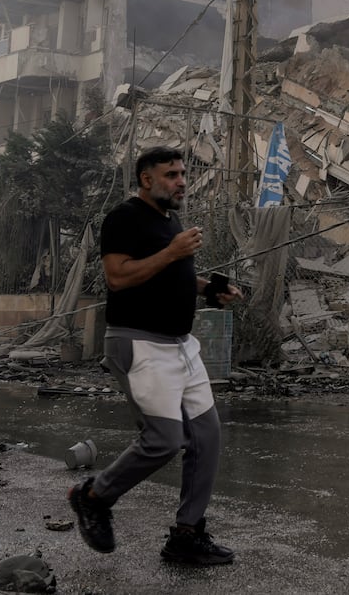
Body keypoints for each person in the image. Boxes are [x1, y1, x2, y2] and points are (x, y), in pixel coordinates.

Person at [68, 147, 242, 568]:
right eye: (171, 174)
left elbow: (171, 271)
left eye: (183, 173)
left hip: (182, 346)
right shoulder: (123, 218)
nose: (181, 181)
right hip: (141, 344)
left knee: (207, 437)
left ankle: (187, 534)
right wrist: (173, 252)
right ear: (146, 179)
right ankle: (93, 497)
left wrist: (208, 289)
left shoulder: (171, 220)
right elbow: (118, 276)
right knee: (164, 440)